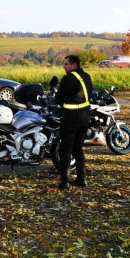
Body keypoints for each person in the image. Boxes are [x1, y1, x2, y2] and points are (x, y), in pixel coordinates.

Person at [55, 54, 93, 189]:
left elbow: (58, 98)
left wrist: (62, 99)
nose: (63, 66)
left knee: (65, 149)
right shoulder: (87, 76)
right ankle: (82, 179)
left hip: (71, 118)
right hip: (85, 118)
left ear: (73, 65)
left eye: (66, 64)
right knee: (78, 148)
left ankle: (65, 181)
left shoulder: (68, 78)